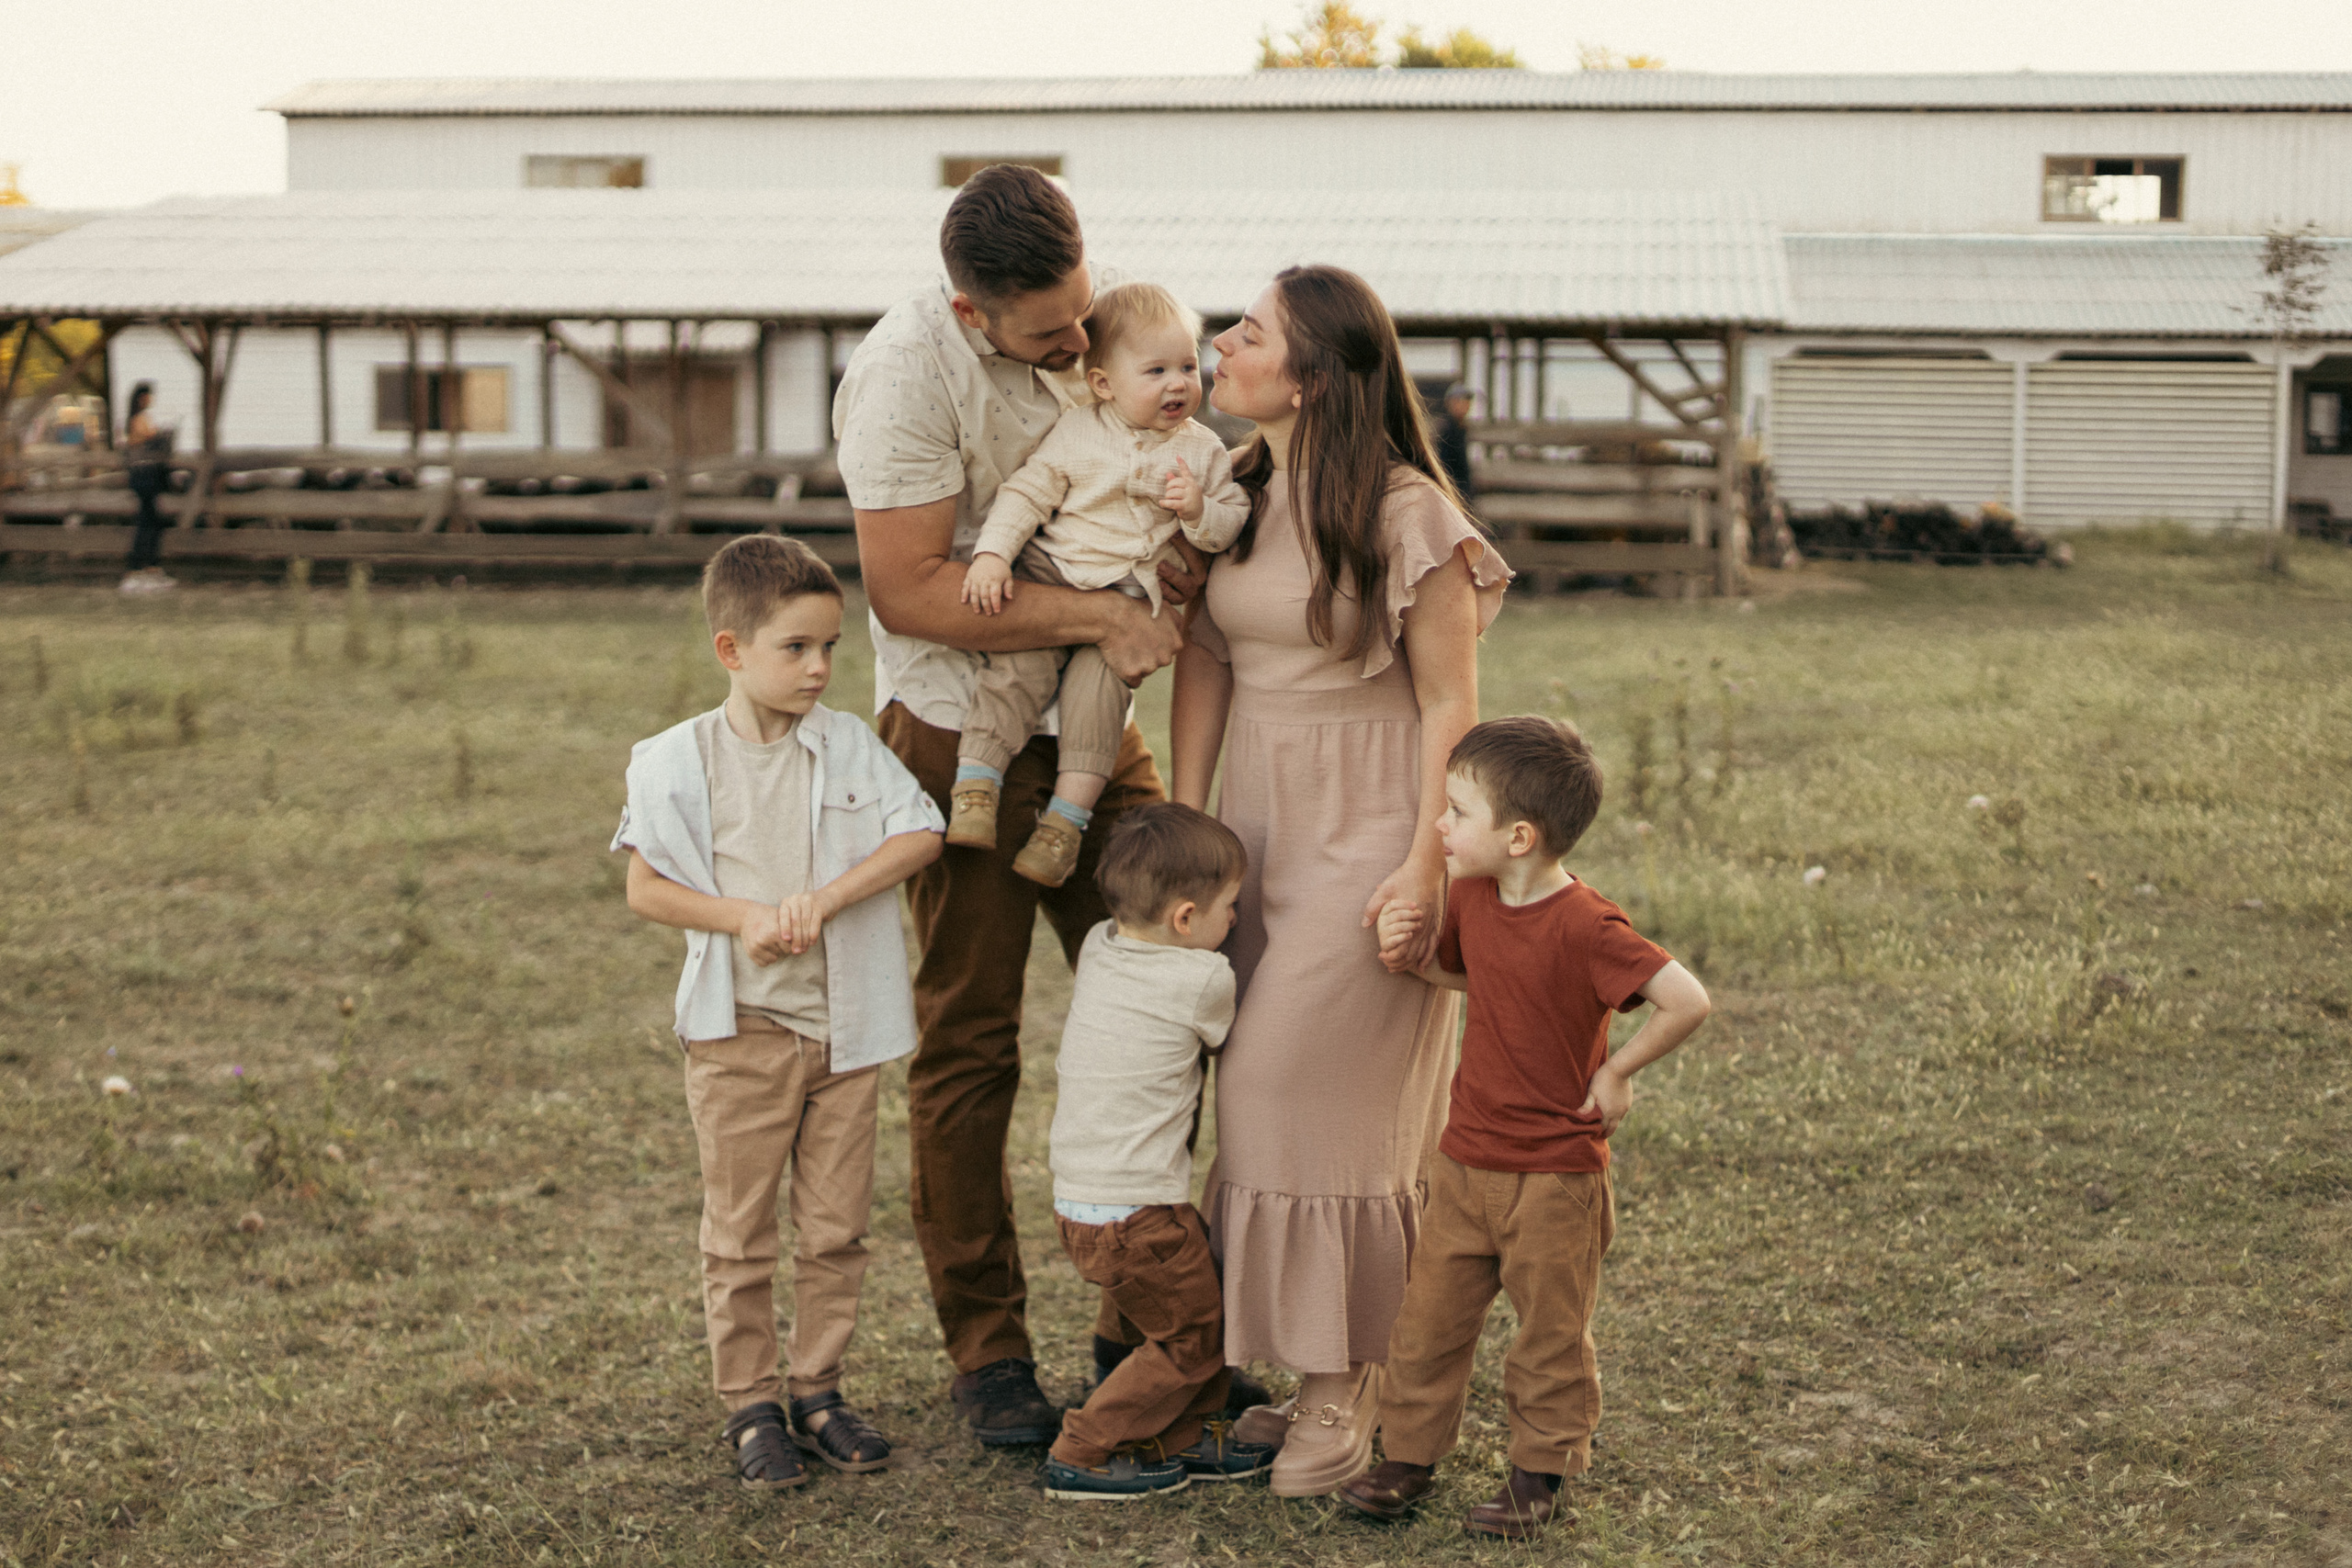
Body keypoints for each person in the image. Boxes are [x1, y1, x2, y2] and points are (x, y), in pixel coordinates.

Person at [833, 164, 1263, 1446]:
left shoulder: (1101, 330)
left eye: (1080, 314)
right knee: (971, 1038)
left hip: (1097, 723)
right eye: (1046, 335)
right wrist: (1107, 616)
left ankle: (1146, 1318)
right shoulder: (906, 377)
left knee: (1163, 991)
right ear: (975, 317)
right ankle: (988, 1351)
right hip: (953, 722)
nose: (1079, 345)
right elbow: (911, 588)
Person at [1170, 264, 1512, 1497]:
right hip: (1253, 829)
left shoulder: (1408, 511)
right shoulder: (1236, 489)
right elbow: (1206, 655)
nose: (1219, 342)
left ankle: (1345, 1389)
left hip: (1374, 823)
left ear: (1312, 375)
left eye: (1247, 332)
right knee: (1255, 1100)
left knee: (1305, 1096)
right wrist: (1191, 825)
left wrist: (1425, 864)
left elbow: (1451, 707)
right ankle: (1308, 1365)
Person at [612, 535, 946, 1492]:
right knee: (740, 1227)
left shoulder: (845, 743)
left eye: (831, 648)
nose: (818, 668)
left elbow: (921, 830)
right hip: (741, 1038)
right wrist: (743, 918)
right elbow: (646, 887)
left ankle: (820, 1389)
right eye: (795, 648)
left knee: (835, 1226)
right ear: (731, 651)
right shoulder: (676, 762)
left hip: (846, 1034)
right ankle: (751, 1401)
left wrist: (829, 899)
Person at [1343, 716, 1712, 1539]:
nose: (1439, 825)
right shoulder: (1473, 896)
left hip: (1556, 1177)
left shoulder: (1589, 925)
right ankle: (1407, 1457)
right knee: (1428, 1322)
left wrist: (1616, 1071)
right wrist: (1411, 957)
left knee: (1549, 1333)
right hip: (1466, 1160)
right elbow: (1461, 973)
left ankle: (1537, 1476)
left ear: (1518, 835)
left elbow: (1687, 1000)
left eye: (1457, 811)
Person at [952, 282, 1249, 888]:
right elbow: (1029, 492)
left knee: (1098, 707)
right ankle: (975, 784)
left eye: (1188, 366)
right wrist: (991, 555)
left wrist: (1197, 511)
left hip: (1128, 600)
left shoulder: (1203, 451)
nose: (1178, 383)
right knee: (1017, 674)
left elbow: (1229, 523)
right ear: (1104, 385)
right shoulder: (1080, 433)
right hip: (1053, 574)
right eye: (1157, 370)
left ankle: (1065, 823)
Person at [1039, 803, 1279, 1501]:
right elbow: (1234, 1039)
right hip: (1137, 1212)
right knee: (1194, 1337)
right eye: (1229, 907)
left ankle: (1180, 1435)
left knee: (1198, 1315)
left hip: (1079, 1201)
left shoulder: (1097, 942)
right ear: (1184, 920)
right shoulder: (1203, 979)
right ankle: (1082, 1449)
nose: (1234, 919)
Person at [119, 382, 175, 594]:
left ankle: (149, 565)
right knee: (147, 520)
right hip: (144, 476)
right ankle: (137, 566)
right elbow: (151, 434)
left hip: (145, 476)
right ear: (142, 398)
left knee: (152, 518)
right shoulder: (139, 420)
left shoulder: (138, 419)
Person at [1432, 384, 1476, 504]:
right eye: (1459, 401)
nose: (1464, 406)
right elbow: (1446, 464)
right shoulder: (1447, 431)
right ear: (1449, 403)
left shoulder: (1461, 429)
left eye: (1467, 402)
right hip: (1451, 492)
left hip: (1460, 492)